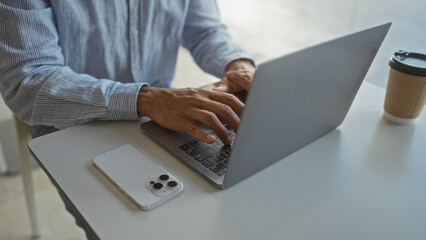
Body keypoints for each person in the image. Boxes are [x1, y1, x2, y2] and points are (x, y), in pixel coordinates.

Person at [0, 0, 255, 238]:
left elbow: (205, 29)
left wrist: (235, 62)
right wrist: (146, 99)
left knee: (228, 206)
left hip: (163, 114)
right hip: (71, 123)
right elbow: (27, 82)